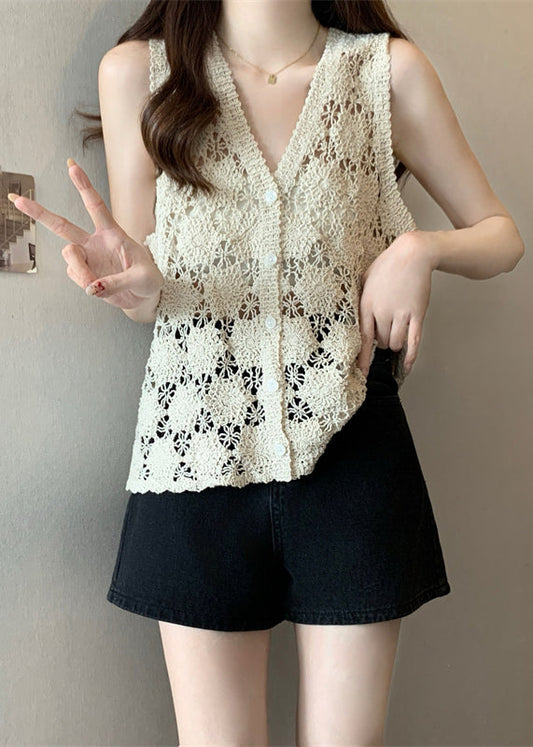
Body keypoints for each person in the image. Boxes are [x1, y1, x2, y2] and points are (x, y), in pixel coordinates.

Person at [10, 0, 525, 744]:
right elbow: (148, 285)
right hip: (193, 450)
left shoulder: (383, 72)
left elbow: (501, 235)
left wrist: (418, 250)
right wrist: (136, 289)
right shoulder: (139, 73)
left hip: (352, 445)